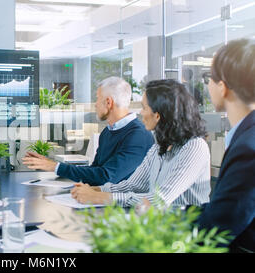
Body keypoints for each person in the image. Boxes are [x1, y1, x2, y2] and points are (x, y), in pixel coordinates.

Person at [71, 79, 211, 208]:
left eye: (144, 107)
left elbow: (158, 200)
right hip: (155, 225)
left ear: (158, 115)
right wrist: (96, 189)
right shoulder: (159, 147)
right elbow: (133, 185)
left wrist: (101, 197)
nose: (140, 113)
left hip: (185, 230)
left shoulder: (194, 147)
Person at [22, 77, 154, 186]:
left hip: (127, 212)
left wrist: (55, 167)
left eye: (97, 98)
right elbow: (95, 171)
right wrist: (53, 165)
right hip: (103, 202)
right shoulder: (108, 132)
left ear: (108, 102)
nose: (95, 104)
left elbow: (106, 177)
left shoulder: (138, 136)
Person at [197, 39, 255, 252]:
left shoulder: (248, 148)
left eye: (208, 78)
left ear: (222, 87)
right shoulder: (245, 136)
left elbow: (218, 226)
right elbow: (222, 208)